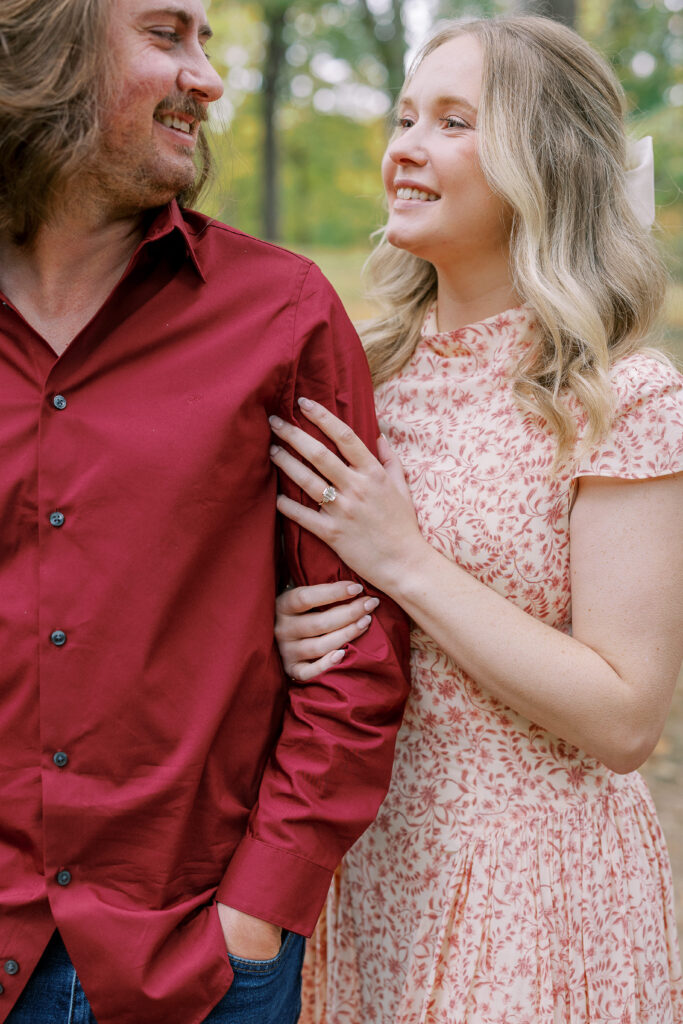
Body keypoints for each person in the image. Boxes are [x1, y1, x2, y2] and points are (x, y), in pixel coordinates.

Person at [0, 1, 410, 1022]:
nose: (208, 79)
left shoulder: (283, 315)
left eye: (207, 43)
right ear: (43, 49)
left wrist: (260, 905)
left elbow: (355, 651)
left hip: (195, 958)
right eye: (167, 35)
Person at [268, 15, 683, 1023]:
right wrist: (284, 634)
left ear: (542, 163)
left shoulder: (617, 397)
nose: (404, 146)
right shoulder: (361, 379)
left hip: (531, 887)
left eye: (453, 122)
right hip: (364, 865)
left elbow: (624, 717)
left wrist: (403, 562)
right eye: (404, 116)